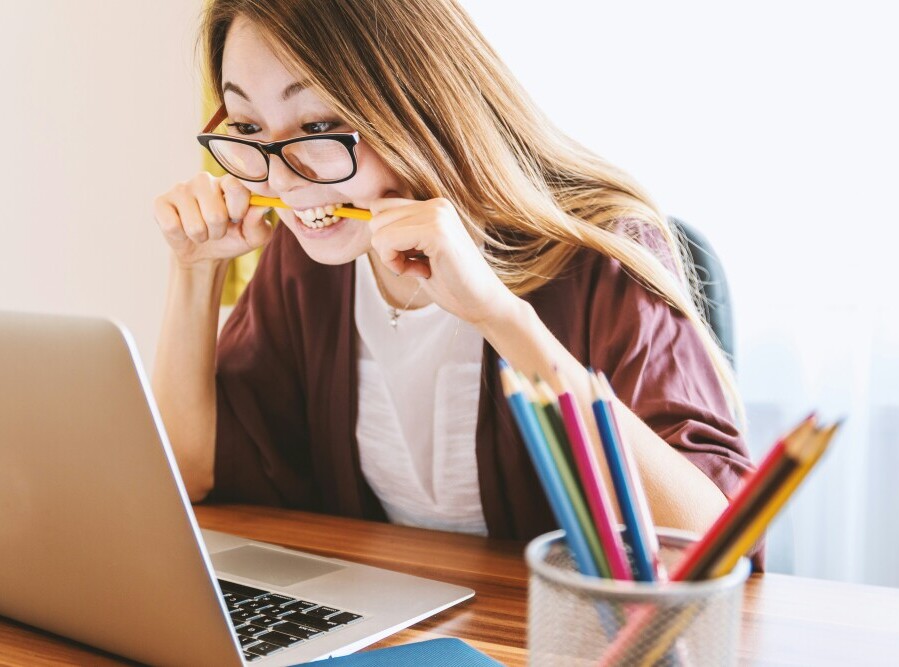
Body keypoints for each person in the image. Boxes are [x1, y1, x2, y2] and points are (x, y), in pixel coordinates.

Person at [152, 0, 758, 561]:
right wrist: (196, 271)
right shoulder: (308, 262)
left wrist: (500, 316)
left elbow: (713, 543)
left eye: (316, 127)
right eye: (250, 129)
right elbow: (188, 472)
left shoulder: (601, 253)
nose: (283, 181)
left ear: (417, 103)